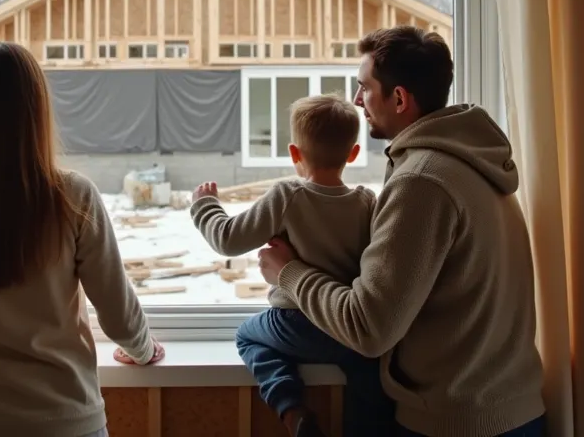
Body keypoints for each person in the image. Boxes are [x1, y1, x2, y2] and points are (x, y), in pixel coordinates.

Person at [258, 26, 547, 437]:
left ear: (398, 98)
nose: (357, 101)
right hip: (510, 411)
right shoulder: (470, 161)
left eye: (364, 88)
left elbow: (368, 328)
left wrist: (287, 272)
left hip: (456, 422)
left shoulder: (423, 181)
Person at [0, 42, 165, 437]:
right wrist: (144, 349)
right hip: (66, 420)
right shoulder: (73, 197)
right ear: (36, 112)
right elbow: (120, 317)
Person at [189, 94, 394, 437]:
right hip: (345, 327)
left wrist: (205, 206)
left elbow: (228, 239)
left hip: (293, 324)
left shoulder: (288, 195)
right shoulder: (366, 202)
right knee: (367, 373)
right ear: (353, 154)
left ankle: (291, 409)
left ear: (295, 154)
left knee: (248, 337)